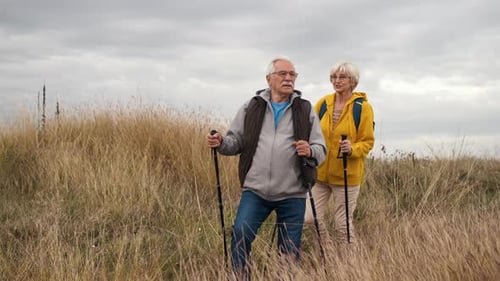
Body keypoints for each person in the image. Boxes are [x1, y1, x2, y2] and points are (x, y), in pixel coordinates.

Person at [207, 56, 326, 278]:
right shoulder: (251, 107)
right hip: (256, 190)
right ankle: (240, 276)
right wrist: (221, 143)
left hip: (293, 193)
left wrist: (310, 151)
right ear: (269, 78)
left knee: (289, 252)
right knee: (241, 234)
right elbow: (236, 141)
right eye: (283, 74)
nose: (289, 78)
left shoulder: (305, 109)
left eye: (293, 75)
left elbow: (321, 149)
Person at [304, 61, 375, 249]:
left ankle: (351, 266)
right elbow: (310, 130)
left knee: (342, 225)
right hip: (320, 174)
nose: (337, 81)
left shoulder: (363, 108)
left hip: (347, 177)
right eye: (334, 77)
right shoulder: (323, 103)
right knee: (310, 218)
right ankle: (327, 251)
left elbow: (368, 142)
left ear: (353, 81)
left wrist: (352, 149)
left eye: (342, 77)